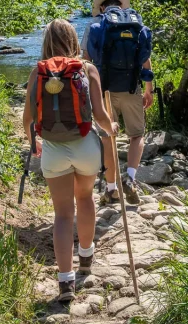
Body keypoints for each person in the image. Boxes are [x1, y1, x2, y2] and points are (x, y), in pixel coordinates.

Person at [23, 18, 118, 303]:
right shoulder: (87, 69)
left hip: (53, 149)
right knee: (86, 198)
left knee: (63, 214)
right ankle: (86, 257)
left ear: (45, 42)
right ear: (74, 39)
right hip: (85, 147)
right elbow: (100, 114)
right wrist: (110, 128)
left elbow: (28, 120)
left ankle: (65, 282)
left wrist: (33, 144)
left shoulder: (36, 73)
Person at [81, 0, 154, 206]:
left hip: (105, 91)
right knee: (137, 135)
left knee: (107, 137)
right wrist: (148, 89)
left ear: (102, 9)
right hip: (132, 88)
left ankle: (111, 189)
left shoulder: (95, 27)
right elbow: (146, 60)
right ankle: (130, 178)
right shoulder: (137, 26)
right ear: (121, 7)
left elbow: (86, 61)